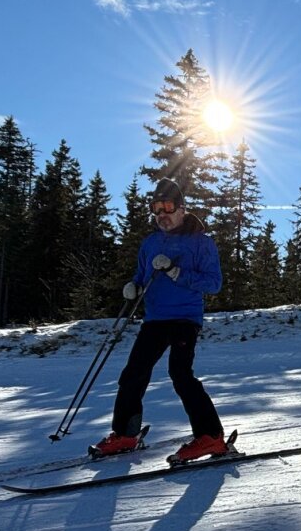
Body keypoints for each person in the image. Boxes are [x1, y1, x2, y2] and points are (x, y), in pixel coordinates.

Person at [92, 178, 228, 462]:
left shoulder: (202, 243)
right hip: (154, 319)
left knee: (180, 374)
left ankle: (211, 437)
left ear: (182, 209)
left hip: (184, 318)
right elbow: (143, 277)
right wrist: (134, 288)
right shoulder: (150, 243)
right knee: (133, 373)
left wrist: (178, 273)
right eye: (157, 210)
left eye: (167, 208)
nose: (162, 215)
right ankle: (126, 434)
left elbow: (213, 283)